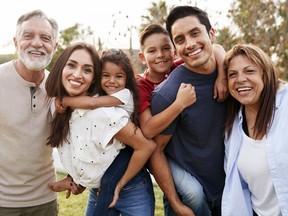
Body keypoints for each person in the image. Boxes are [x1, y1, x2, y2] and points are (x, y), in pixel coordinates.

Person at [45, 44, 156, 216]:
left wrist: (118, 185)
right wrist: (77, 179)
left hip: (131, 188)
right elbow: (86, 149)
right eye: (71, 65)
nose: (77, 74)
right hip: (98, 186)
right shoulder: (59, 107)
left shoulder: (105, 113)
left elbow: (146, 146)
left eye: (87, 70)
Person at [149, 6, 228, 216]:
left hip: (231, 194)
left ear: (211, 33)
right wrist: (176, 203)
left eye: (195, 33)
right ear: (175, 48)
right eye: (181, 39)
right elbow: (156, 151)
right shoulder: (168, 95)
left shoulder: (233, 75)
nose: (190, 44)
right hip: (191, 203)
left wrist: (223, 74)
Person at [0, 10, 59, 216]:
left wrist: (77, 177)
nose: (37, 43)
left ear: (55, 47)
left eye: (45, 38)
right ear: (16, 43)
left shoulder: (59, 89)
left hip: (45, 201)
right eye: (28, 36)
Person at [221, 44, 288, 216]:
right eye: (232, 75)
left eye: (249, 71)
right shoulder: (232, 131)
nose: (240, 79)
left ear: (265, 74)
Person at [136, 23, 227, 140]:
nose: (160, 55)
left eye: (165, 48)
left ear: (175, 53)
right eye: (152, 51)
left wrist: (222, 76)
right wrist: (180, 104)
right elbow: (148, 130)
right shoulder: (141, 84)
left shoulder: (177, 69)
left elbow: (216, 48)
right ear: (142, 58)